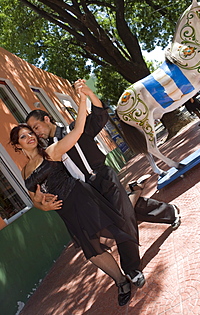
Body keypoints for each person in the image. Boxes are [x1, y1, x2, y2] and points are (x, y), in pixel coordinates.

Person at [10, 88, 141, 307]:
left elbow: (79, 129)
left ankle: (133, 197)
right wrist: (46, 207)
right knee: (93, 252)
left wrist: (82, 99)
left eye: (31, 133)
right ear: (17, 145)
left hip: (81, 198)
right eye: (24, 136)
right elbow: (34, 199)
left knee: (117, 227)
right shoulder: (24, 172)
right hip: (65, 211)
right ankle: (121, 281)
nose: (31, 137)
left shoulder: (51, 152)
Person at [26, 80, 181, 231]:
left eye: (36, 126)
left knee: (121, 214)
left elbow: (99, 117)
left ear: (46, 119)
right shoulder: (48, 152)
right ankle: (169, 211)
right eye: (33, 130)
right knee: (123, 209)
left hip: (102, 175)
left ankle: (142, 196)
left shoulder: (74, 129)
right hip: (85, 188)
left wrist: (89, 94)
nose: (37, 132)